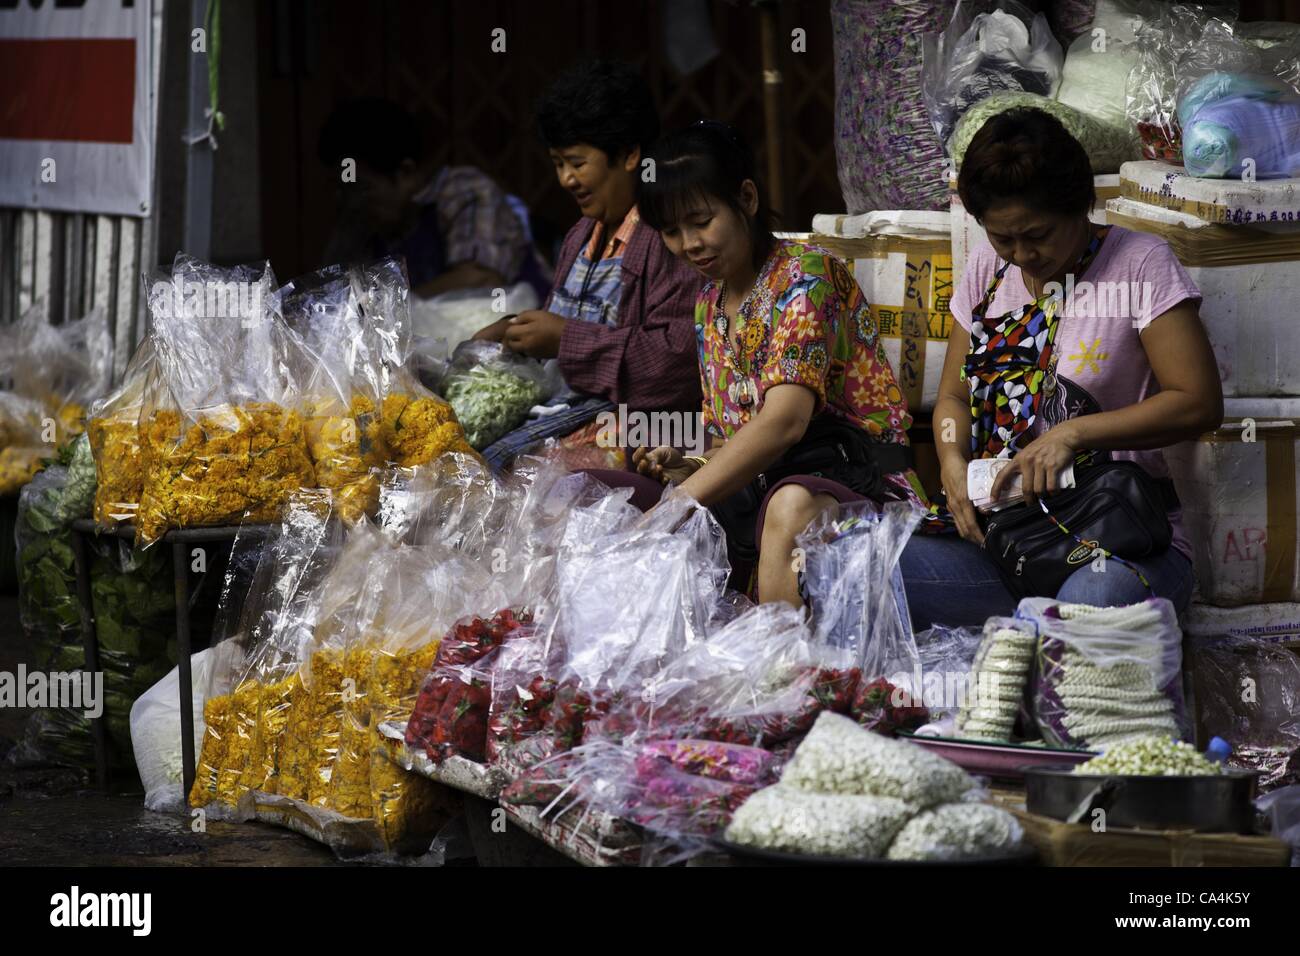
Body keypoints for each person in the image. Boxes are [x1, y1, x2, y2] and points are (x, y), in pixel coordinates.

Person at [900, 107, 1223, 629]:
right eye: (1003, 238)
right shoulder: (988, 269)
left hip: (1118, 538)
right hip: (1010, 540)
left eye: (1037, 234)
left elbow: (1199, 402)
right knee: (863, 571)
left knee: (1082, 612)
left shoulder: (1140, 265)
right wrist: (951, 461)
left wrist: (1074, 434)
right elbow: (954, 399)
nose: (1022, 254)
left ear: (1080, 206)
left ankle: (1028, 641)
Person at [617, 121, 927, 607]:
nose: (689, 243)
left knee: (781, 505)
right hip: (763, 492)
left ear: (746, 198)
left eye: (701, 220)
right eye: (672, 231)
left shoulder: (808, 276)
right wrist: (688, 464)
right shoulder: (708, 303)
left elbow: (782, 423)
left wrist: (681, 501)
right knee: (617, 493)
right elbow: (733, 438)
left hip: (858, 487)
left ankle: (787, 673)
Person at [470, 59, 704, 471]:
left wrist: (566, 341)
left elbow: (676, 364)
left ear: (630, 155)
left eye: (577, 163)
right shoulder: (581, 235)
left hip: (653, 430)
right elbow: (559, 328)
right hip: (566, 415)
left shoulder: (667, 236)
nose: (565, 179)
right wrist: (515, 333)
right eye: (558, 163)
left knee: (517, 478)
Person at [316, 98, 547, 299]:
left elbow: (480, 279)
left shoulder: (463, 191)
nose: (349, 202)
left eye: (361, 188)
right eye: (340, 190)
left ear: (405, 173)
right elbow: (334, 294)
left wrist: (392, 309)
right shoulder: (360, 223)